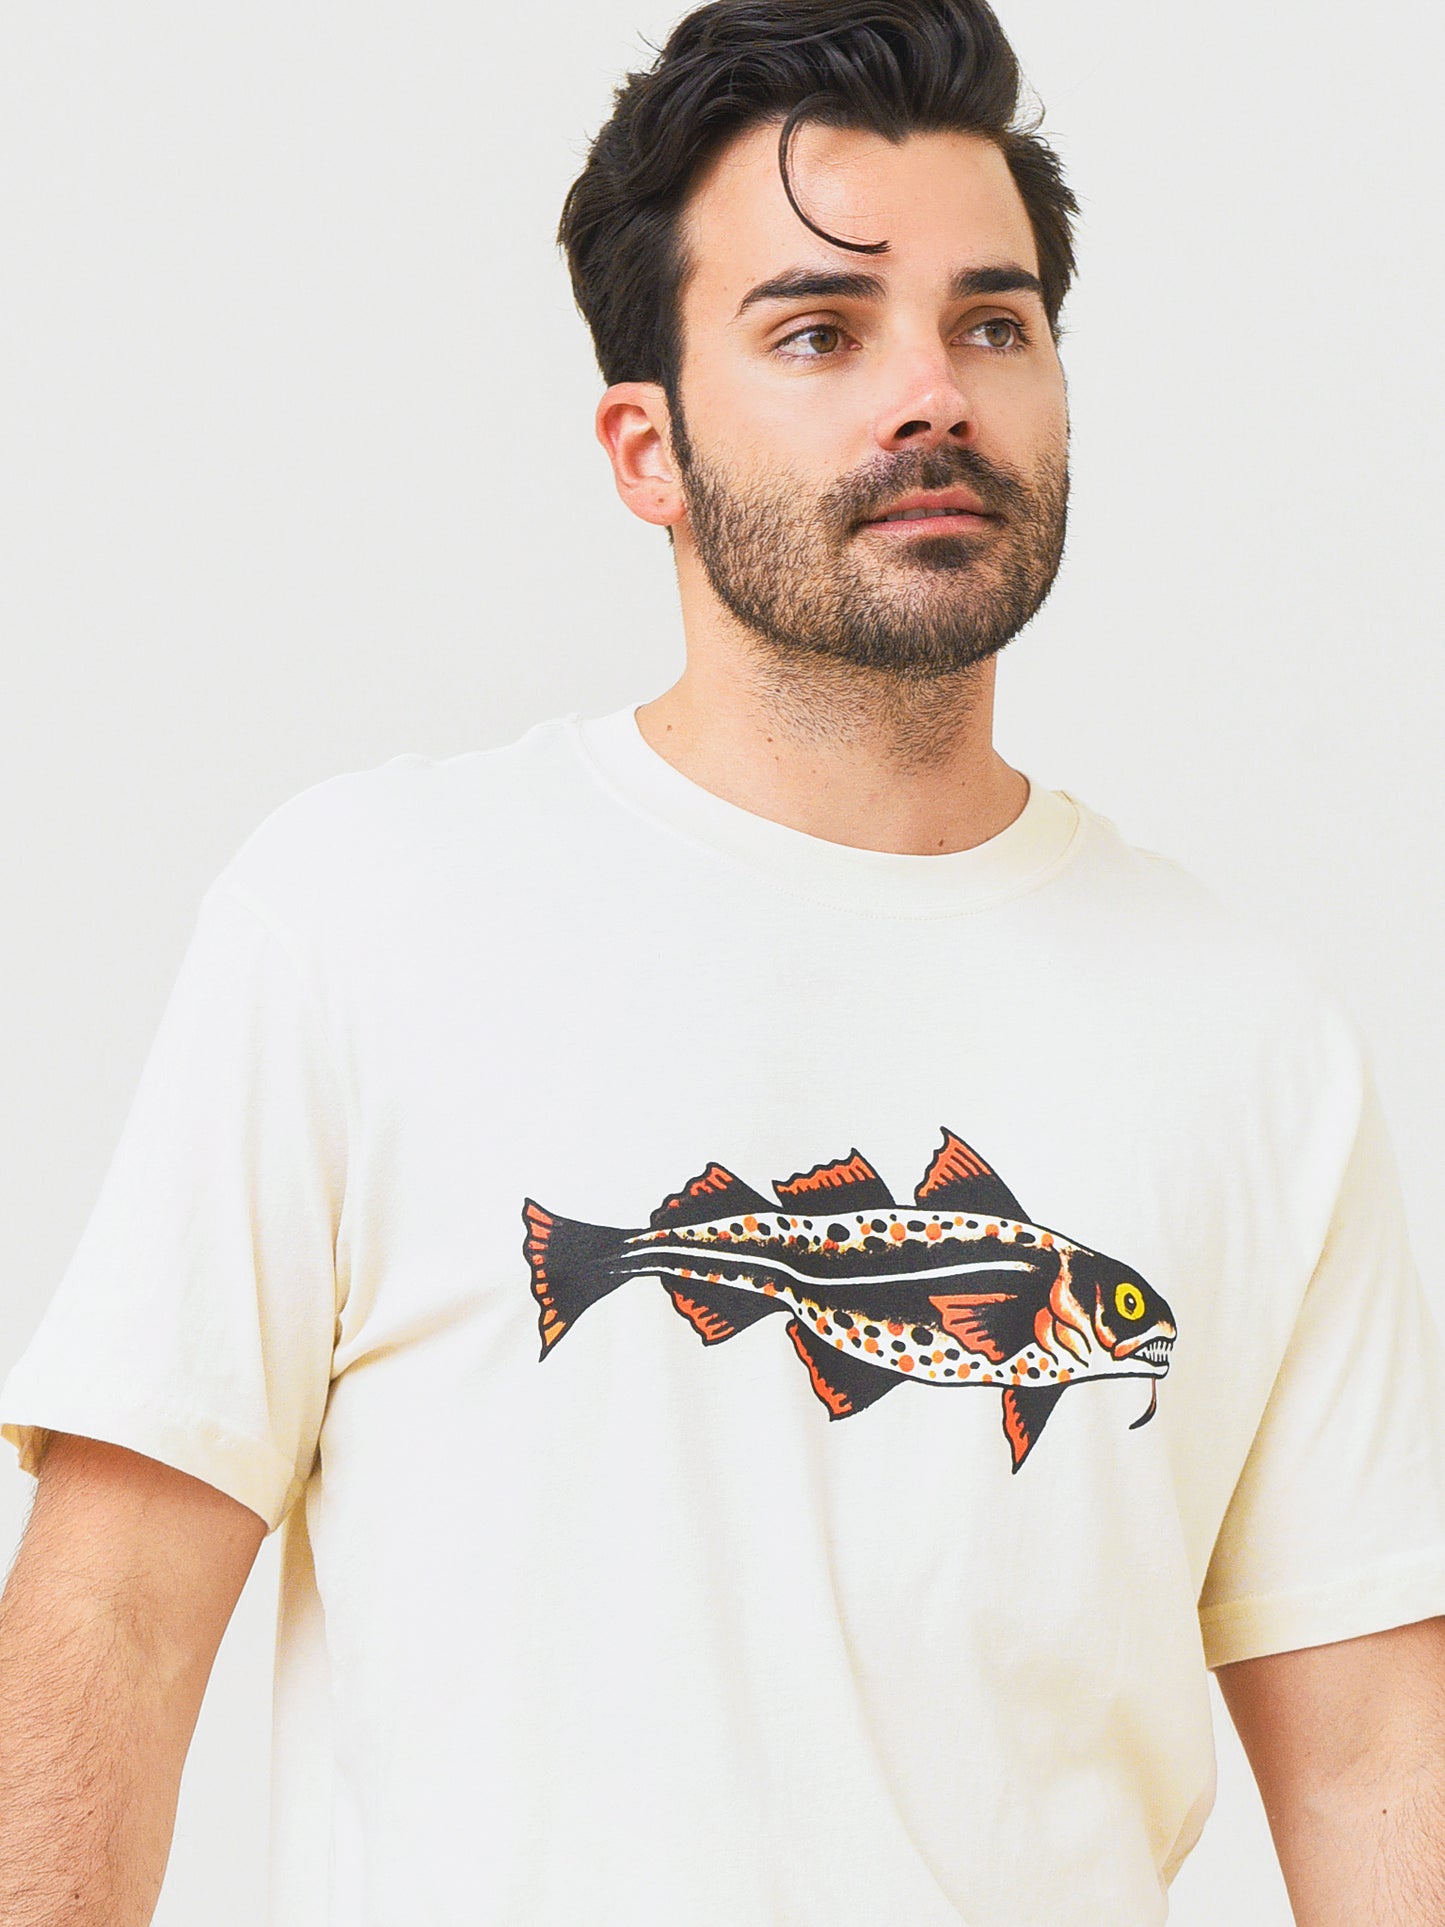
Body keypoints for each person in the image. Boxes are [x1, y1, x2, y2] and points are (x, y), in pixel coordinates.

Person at [1, 0, 1443, 1920]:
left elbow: (1372, 1761)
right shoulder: (362, 916)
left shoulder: (1251, 1035)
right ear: (645, 449)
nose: (929, 395)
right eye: (817, 332)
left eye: (991, 325)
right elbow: (106, 1624)